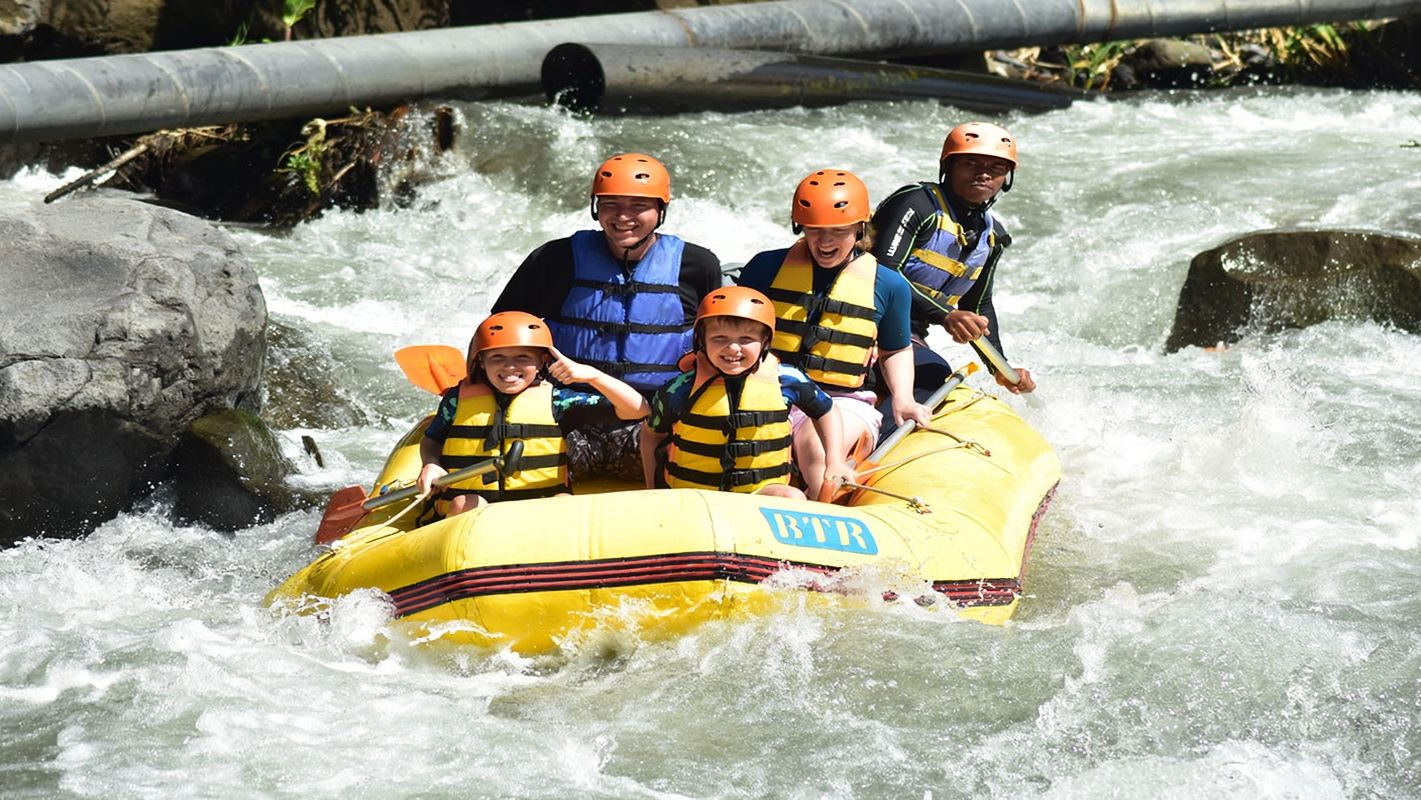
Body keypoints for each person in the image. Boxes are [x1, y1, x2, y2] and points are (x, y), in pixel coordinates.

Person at [491, 153, 722, 482]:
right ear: (596, 207)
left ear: (660, 210)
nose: (623, 216)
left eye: (637, 205)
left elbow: (723, 340)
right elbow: (500, 330)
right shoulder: (555, 259)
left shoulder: (698, 266)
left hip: (656, 415)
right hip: (566, 412)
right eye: (611, 204)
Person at [736, 169, 931, 494]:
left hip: (843, 400)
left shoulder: (889, 284)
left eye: (838, 231)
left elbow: (895, 349)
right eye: (816, 230)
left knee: (816, 447)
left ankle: (816, 508)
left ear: (859, 229)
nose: (825, 241)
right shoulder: (765, 267)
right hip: (769, 391)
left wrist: (904, 398)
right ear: (802, 227)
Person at [416, 311, 647, 515]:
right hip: (471, 514)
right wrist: (431, 463)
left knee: (563, 504)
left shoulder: (558, 401)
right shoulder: (457, 399)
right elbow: (432, 440)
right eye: (498, 357)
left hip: (535, 512)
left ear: (542, 361)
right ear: (482, 362)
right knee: (466, 503)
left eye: (522, 358)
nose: (509, 366)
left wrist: (592, 376)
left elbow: (638, 409)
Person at [869, 121, 1036, 395]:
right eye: (971, 163)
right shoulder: (915, 204)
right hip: (863, 324)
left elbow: (978, 305)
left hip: (908, 337)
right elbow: (882, 271)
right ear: (948, 167)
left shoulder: (993, 237)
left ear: (1006, 177)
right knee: (933, 376)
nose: (983, 174)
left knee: (934, 376)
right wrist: (946, 315)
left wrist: (1001, 368)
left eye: (995, 168)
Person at [641, 286, 845, 500]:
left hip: (758, 494)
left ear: (765, 341)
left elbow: (827, 411)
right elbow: (651, 435)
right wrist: (652, 489)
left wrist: (835, 460)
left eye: (746, 339)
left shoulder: (787, 380)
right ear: (701, 340)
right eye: (720, 338)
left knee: (792, 497)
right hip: (695, 497)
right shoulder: (679, 389)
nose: (733, 348)